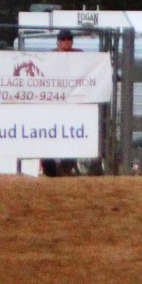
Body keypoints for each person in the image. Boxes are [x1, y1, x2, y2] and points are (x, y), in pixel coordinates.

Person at [43, 30, 80, 176]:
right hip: (53, 103)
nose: (66, 42)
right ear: (58, 41)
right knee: (49, 134)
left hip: (72, 103)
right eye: (63, 39)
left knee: (71, 135)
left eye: (69, 39)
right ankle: (49, 168)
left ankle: (66, 167)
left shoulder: (79, 56)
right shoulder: (50, 56)